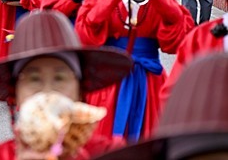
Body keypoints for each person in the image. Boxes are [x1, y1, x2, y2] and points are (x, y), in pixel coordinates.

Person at [75, 0, 194, 141]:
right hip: (110, 80)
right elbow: (87, 30)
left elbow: (179, 29)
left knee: (149, 142)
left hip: (149, 81)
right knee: (106, 142)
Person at [0, 11, 132, 160]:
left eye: (60, 78)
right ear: (15, 93)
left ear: (80, 90)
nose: (47, 90)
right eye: (34, 79)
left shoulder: (111, 152)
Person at [96, 53, 228, 160]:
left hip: (147, 82)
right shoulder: (198, 37)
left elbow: (171, 42)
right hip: (114, 79)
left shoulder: (199, 38)